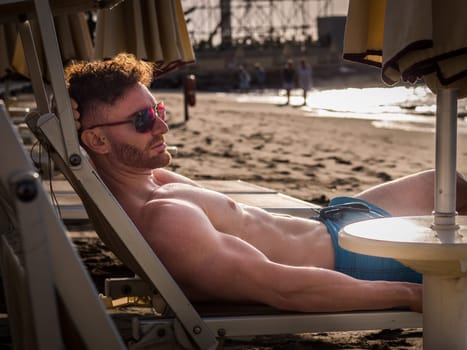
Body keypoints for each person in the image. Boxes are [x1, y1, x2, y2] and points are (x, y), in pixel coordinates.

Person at [65, 53, 467, 314]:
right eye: (142, 121)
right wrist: (413, 296)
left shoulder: (154, 180)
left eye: (157, 109)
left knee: (450, 184)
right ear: (97, 140)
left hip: (333, 221)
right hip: (354, 262)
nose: (163, 126)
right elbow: (283, 288)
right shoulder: (165, 222)